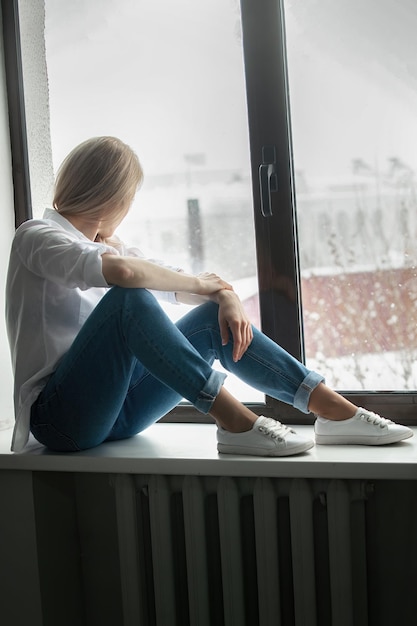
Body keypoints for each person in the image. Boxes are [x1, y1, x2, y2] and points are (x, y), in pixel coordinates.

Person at [5, 136, 413, 456]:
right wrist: (205, 287)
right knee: (129, 300)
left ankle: (333, 410)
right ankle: (233, 420)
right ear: (113, 197)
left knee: (203, 320)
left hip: (121, 411)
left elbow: (177, 281)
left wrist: (223, 297)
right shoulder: (37, 236)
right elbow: (126, 275)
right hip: (62, 419)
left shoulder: (112, 245)